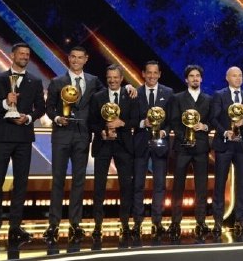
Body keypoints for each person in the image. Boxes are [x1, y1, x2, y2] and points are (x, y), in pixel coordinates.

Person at [0, 42, 46, 245]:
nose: (25, 57)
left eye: (27, 54)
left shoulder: (35, 81)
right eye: (21, 53)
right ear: (12, 55)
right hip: (1, 136)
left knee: (21, 183)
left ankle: (15, 226)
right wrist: (5, 102)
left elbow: (41, 108)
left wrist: (28, 118)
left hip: (23, 137)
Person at [43, 46, 104, 244]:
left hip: (82, 135)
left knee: (79, 180)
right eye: (73, 57)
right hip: (61, 135)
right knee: (58, 180)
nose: (76, 60)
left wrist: (128, 88)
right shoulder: (57, 82)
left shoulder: (94, 81)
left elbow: (108, 96)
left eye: (80, 57)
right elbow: (49, 108)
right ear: (69, 59)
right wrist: (57, 118)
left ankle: (75, 224)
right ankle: (53, 224)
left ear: (86, 59)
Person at [88, 64, 137, 245]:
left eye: (116, 77)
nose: (112, 80)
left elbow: (135, 119)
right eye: (109, 77)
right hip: (103, 145)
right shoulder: (97, 97)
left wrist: (122, 123)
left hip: (123, 146)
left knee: (126, 185)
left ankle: (125, 223)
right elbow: (91, 121)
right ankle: (97, 224)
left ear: (121, 78)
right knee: (99, 186)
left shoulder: (130, 95)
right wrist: (101, 131)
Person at [210, 66, 243, 236]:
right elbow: (213, 118)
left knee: (242, 184)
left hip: (242, 146)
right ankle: (218, 220)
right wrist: (225, 132)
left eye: (240, 75)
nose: (238, 78)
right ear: (227, 78)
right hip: (224, 145)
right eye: (234, 76)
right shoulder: (219, 95)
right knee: (220, 183)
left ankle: (240, 219)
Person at [167, 65, 212, 238]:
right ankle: (175, 222)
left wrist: (204, 126)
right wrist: (185, 136)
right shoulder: (177, 98)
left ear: (201, 79)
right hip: (182, 148)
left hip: (201, 148)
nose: (195, 78)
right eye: (191, 76)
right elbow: (173, 121)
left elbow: (213, 120)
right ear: (186, 79)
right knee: (178, 185)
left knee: (201, 186)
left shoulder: (208, 99)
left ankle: (201, 221)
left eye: (197, 76)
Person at [133, 60, 174, 236]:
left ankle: (157, 221)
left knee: (159, 185)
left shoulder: (168, 93)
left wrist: (164, 132)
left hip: (160, 144)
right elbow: (130, 118)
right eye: (148, 72)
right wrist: (143, 123)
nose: (151, 76)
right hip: (141, 143)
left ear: (159, 74)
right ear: (143, 74)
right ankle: (137, 222)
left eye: (155, 72)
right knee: (138, 184)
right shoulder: (135, 93)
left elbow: (172, 119)